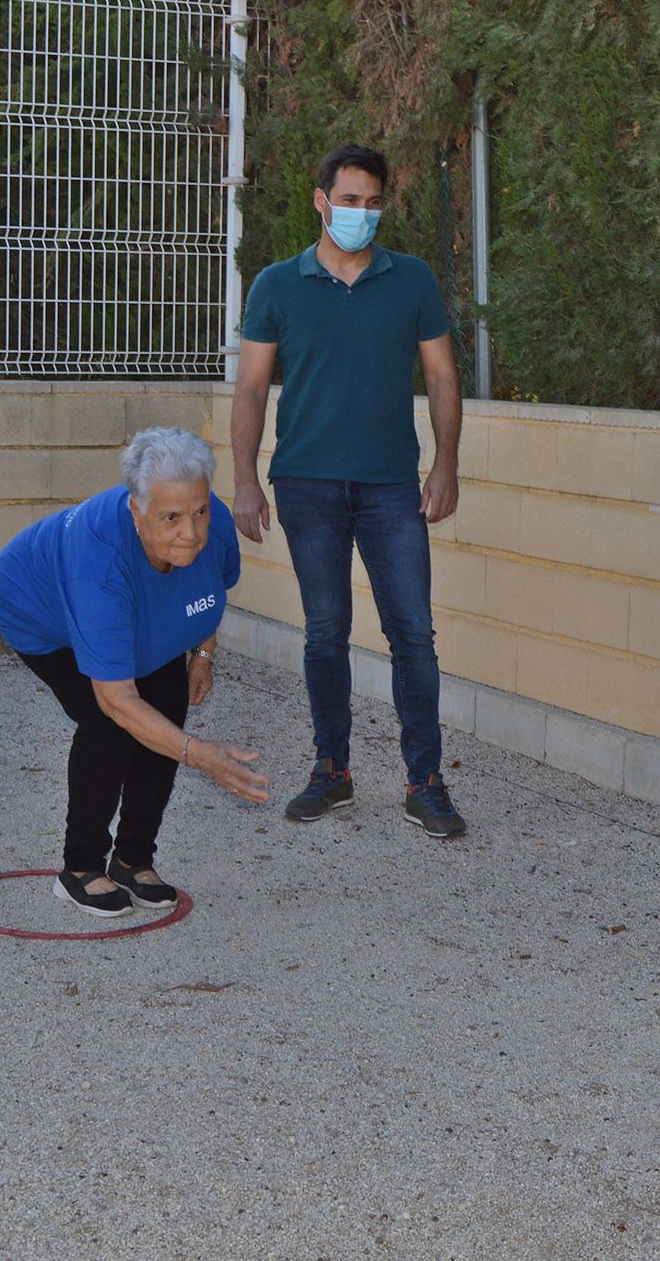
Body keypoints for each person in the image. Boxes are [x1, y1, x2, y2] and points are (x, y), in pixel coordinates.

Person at [231, 143, 468, 839]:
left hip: (392, 485)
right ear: (321, 200)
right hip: (305, 482)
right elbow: (249, 388)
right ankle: (331, 770)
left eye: (372, 202)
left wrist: (446, 463)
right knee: (326, 634)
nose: (361, 213)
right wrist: (245, 478)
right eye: (349, 200)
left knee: (413, 635)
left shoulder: (413, 280)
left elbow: (444, 377)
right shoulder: (277, 285)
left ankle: (424, 781)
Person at [0, 428, 272, 917]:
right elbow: (117, 699)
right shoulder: (99, 565)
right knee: (111, 725)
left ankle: (133, 859)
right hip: (39, 611)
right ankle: (80, 868)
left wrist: (202, 656)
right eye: (171, 517)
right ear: (135, 510)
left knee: (166, 707)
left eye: (199, 511)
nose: (192, 531)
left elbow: (211, 591)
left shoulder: (215, 523)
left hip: (140, 609)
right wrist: (199, 755)